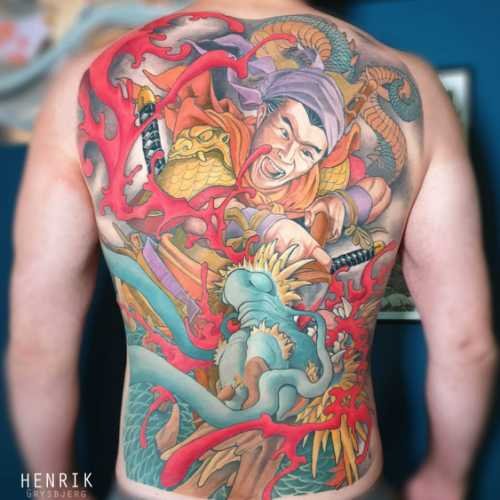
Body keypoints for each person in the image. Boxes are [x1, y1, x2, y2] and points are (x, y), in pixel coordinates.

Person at [6, 1, 498, 500]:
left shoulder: (84, 82)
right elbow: (467, 344)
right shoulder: (417, 90)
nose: (286, 157)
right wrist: (446, 479)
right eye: (284, 131)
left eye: (307, 152)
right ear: (260, 112)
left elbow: (37, 346)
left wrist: (53, 487)